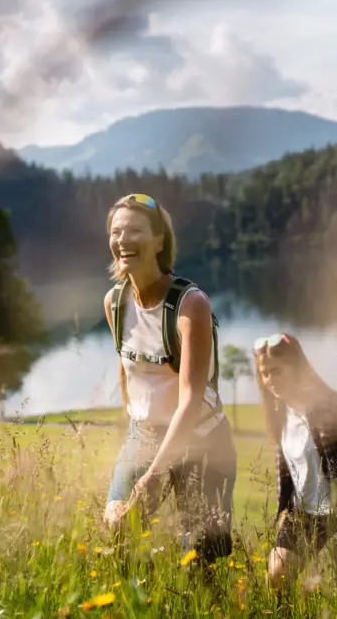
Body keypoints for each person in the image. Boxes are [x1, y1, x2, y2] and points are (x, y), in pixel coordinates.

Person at [102, 192, 237, 565]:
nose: (122, 240)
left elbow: (191, 399)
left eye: (134, 230)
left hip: (202, 440)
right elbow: (126, 367)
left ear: (159, 240)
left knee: (198, 562)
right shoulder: (114, 302)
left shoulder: (190, 304)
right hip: (145, 435)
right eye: (116, 231)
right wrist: (137, 422)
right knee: (116, 532)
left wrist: (156, 474)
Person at [253, 333, 337, 588]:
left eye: (277, 371)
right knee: (275, 578)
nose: (270, 380)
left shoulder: (334, 408)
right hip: (305, 513)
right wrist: (285, 508)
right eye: (265, 373)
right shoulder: (279, 411)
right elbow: (289, 469)